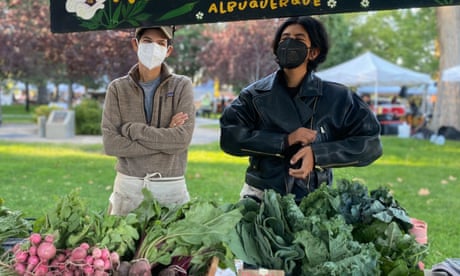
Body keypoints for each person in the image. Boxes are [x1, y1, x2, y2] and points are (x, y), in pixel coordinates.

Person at [219, 16, 383, 203]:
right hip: (260, 195)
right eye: (284, 38)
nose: (289, 44)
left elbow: (370, 144)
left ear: (313, 52)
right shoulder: (254, 95)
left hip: (315, 199)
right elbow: (231, 137)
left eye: (298, 39)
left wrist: (318, 154)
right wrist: (284, 141)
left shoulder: (338, 97)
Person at [101, 25, 195, 215]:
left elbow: (181, 141)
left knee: (170, 244)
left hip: (170, 187)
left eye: (161, 43)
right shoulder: (117, 89)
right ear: (135, 44)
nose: (154, 48)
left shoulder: (182, 85)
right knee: (124, 244)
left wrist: (132, 130)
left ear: (168, 50)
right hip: (129, 186)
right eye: (147, 41)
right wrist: (165, 137)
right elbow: (111, 144)